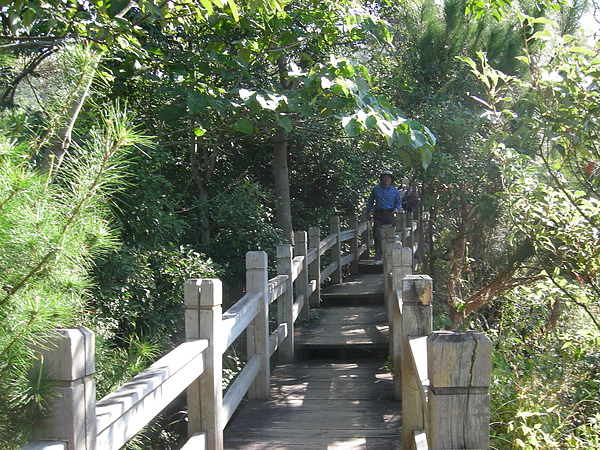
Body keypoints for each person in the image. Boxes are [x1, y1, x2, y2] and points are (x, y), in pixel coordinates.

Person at [366, 170, 403, 265]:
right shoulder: (376, 189)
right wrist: (368, 212)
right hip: (378, 213)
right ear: (381, 179)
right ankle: (378, 258)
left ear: (391, 180)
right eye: (384, 177)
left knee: (391, 236)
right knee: (377, 235)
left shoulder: (394, 190)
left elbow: (398, 202)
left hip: (389, 213)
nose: (386, 179)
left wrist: (396, 209)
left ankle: (391, 257)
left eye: (388, 177)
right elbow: (370, 201)